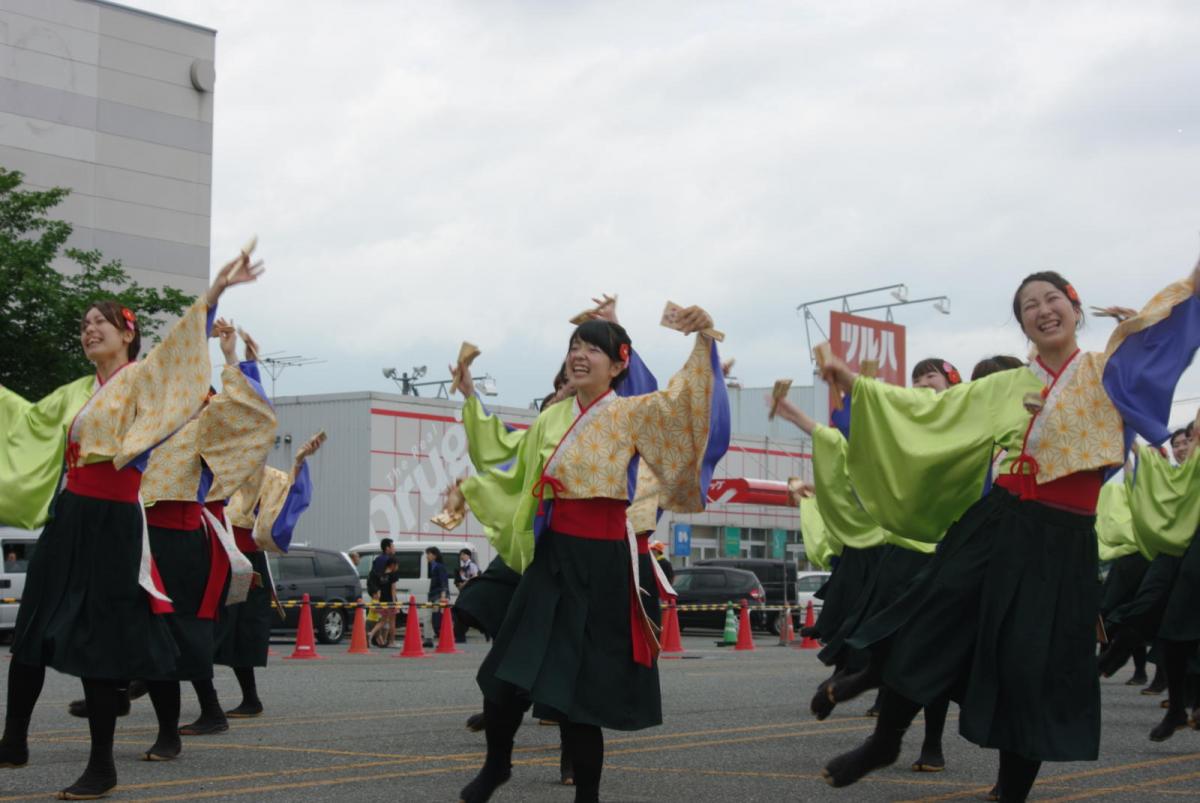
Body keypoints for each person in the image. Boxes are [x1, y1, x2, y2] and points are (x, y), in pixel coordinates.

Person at [816, 266, 1200, 801]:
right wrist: (856, 383)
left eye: (1051, 298)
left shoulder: (1109, 372)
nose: (1042, 310)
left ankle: (1011, 792)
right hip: (998, 523)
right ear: (1023, 325)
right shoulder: (1005, 385)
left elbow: (1167, 334)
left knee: (1033, 667)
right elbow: (930, 411)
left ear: (1074, 307)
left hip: (1064, 540)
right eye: (1028, 306)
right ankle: (885, 740)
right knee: (929, 622)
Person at [0, 249, 261, 799]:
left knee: (101, 637)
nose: (89, 329)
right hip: (70, 514)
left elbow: (177, 356)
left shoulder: (142, 378)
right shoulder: (78, 391)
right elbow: (25, 419)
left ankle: (102, 766)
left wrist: (213, 295)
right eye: (84, 323)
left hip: (114, 517)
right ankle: (13, 741)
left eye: (101, 322)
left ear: (127, 335)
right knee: (31, 625)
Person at [449, 304, 729, 803]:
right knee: (502, 677)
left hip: (602, 565)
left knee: (580, 700)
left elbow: (685, 409)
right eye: (574, 346)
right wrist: (471, 405)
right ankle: (496, 766)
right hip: (552, 560)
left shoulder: (631, 412)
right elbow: (507, 459)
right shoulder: (553, 417)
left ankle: (588, 797)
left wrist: (703, 338)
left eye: (593, 349)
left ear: (619, 364)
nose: (579, 355)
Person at [212, 431, 324, 718]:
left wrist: (299, 462)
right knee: (212, 626)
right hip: (216, 554)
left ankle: (243, 700)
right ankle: (235, 700)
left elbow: (292, 496)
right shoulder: (220, 473)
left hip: (245, 562)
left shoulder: (269, 477)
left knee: (237, 628)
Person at [368, 557, 399, 648]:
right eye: (397, 565)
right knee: (392, 622)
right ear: (392, 565)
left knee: (383, 620)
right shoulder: (393, 575)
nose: (397, 567)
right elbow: (393, 590)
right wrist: (394, 603)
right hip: (390, 601)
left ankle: (371, 634)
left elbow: (379, 590)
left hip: (382, 602)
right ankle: (392, 642)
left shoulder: (381, 575)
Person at [425, 547, 449, 648]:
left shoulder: (439, 567)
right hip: (432, 595)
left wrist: (443, 596)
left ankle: (442, 640)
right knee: (428, 617)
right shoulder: (432, 566)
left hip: (438, 596)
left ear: (434, 555)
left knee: (437, 619)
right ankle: (428, 639)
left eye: (428, 554)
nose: (427, 556)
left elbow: (444, 581)